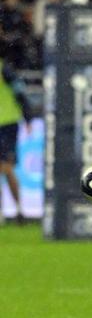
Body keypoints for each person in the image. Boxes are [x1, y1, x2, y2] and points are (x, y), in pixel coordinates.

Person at [0, 52, 31, 224]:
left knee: (5, 167)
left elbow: (20, 92)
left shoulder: (4, 68)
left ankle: (18, 209)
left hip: (7, 123)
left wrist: (27, 116)